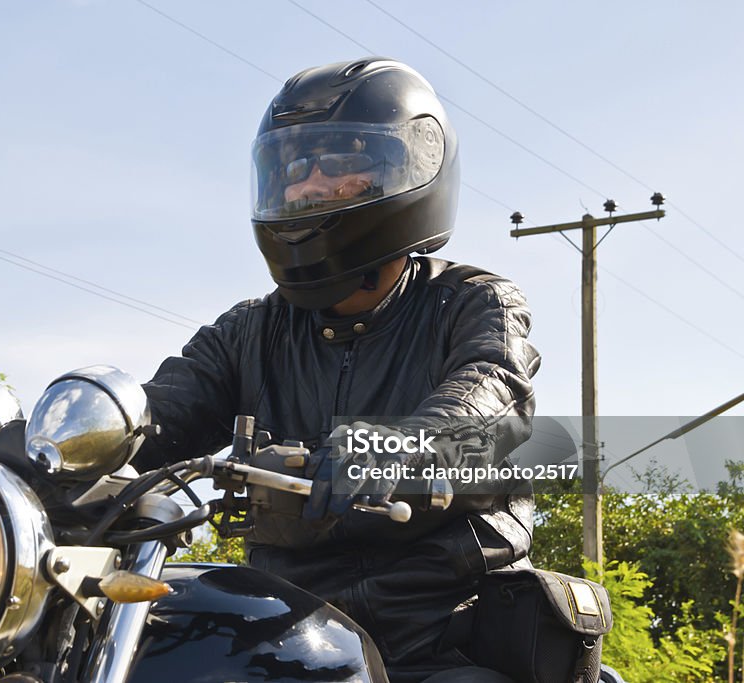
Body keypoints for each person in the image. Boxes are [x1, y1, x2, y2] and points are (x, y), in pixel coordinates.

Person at [132, 57, 539, 683]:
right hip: (285, 633)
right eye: (294, 169)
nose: (307, 186)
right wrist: (57, 444)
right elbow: (160, 410)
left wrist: (394, 444)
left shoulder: (473, 302)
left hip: (435, 631)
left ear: (409, 173)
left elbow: (492, 399)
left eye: (341, 164)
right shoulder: (250, 331)